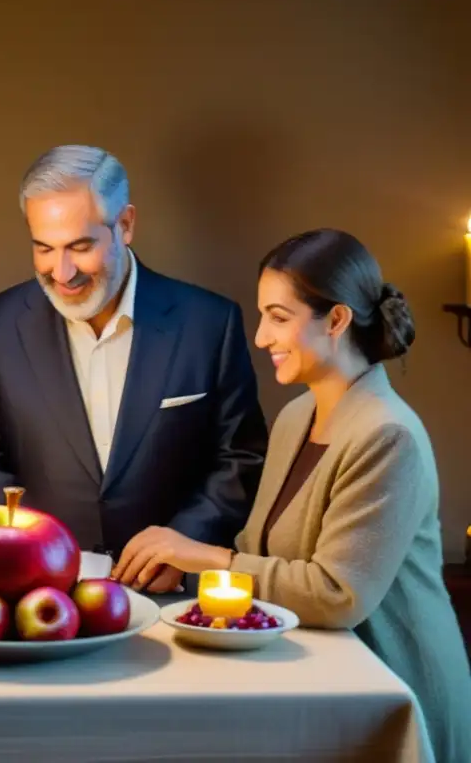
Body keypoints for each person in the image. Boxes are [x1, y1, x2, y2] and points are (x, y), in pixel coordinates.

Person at [112, 228, 471, 762]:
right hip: (323, 679)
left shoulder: (387, 434)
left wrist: (203, 555)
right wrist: (190, 573)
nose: (260, 337)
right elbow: (266, 555)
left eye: (279, 317)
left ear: (338, 320)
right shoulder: (296, 416)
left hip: (393, 688)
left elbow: (335, 594)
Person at [0, 144, 268, 593]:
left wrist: (184, 545)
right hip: (37, 589)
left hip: (172, 595)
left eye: (80, 246)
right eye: (43, 248)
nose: (62, 272)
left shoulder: (209, 323)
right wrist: (30, 551)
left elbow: (241, 456)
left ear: (126, 225)